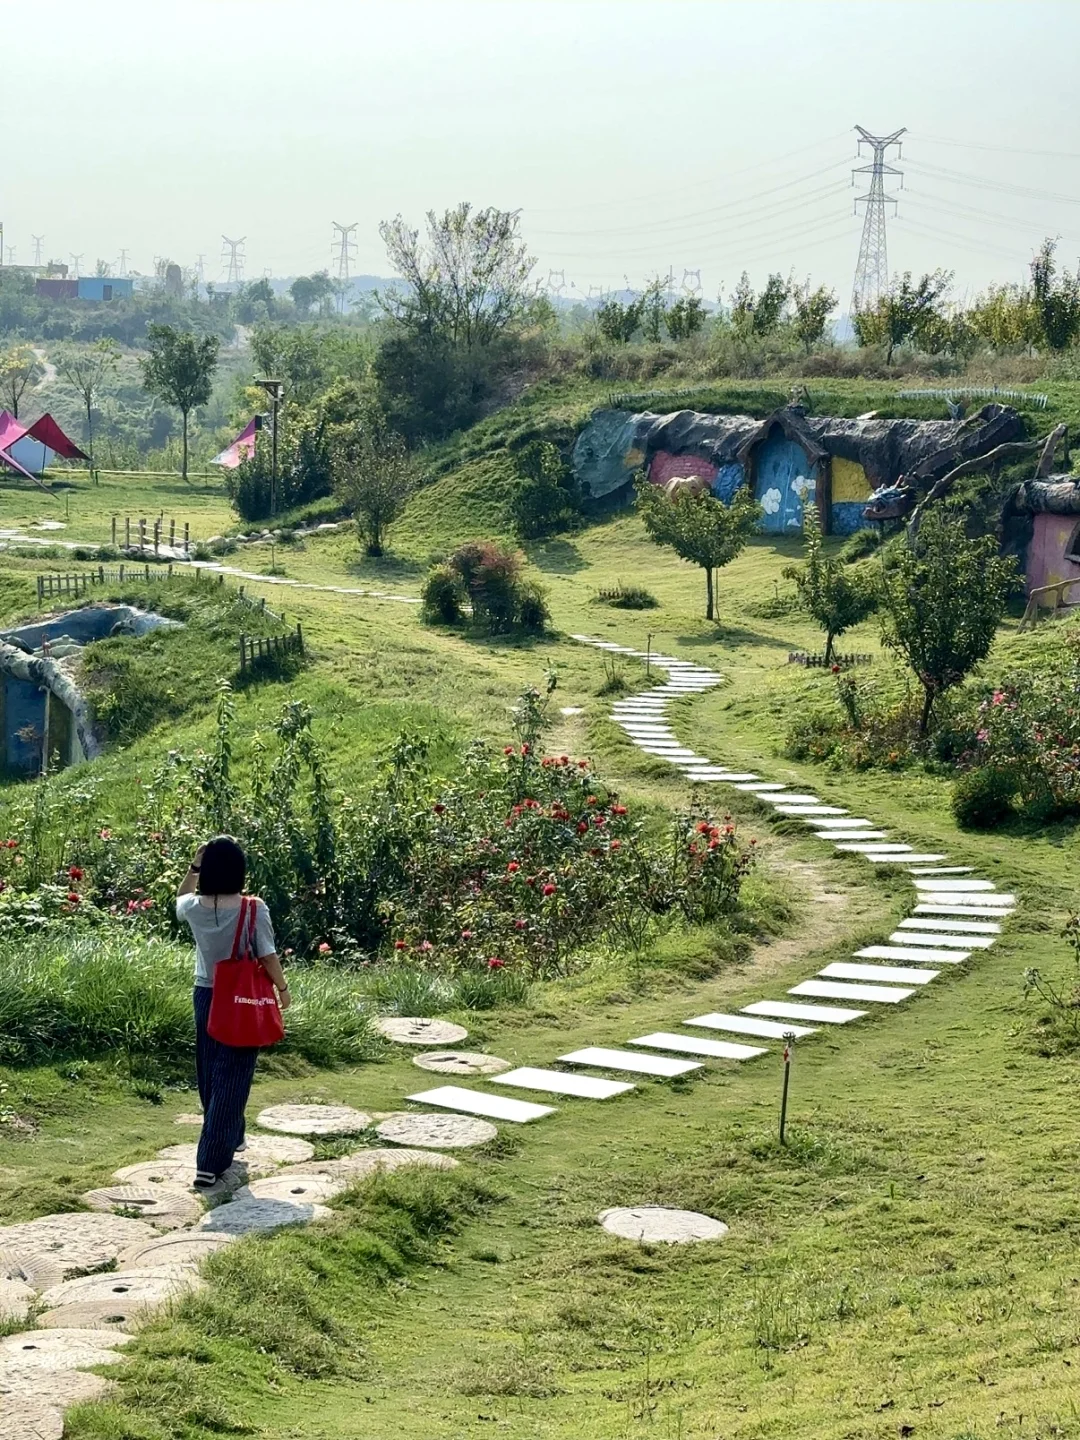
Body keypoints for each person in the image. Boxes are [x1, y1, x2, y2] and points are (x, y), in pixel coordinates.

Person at [176, 836, 290, 1188]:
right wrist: (282, 988)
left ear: (208, 869)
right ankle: (210, 1162)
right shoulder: (253, 908)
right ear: (240, 871)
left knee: (210, 1071)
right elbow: (267, 954)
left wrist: (195, 866)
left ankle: (232, 1133)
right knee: (234, 1075)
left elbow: (180, 896)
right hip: (241, 999)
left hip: (205, 994)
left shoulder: (193, 907)